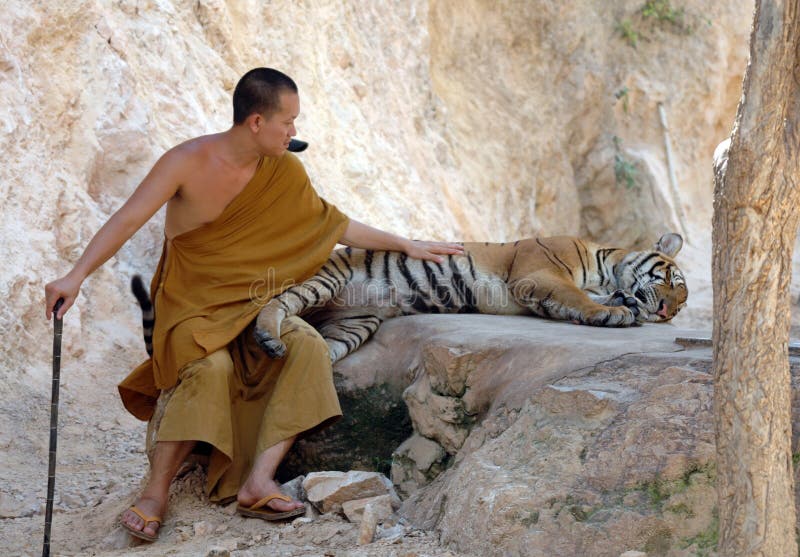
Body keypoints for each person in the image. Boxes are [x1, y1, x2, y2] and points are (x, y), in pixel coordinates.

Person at [44, 67, 463, 542]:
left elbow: (333, 225)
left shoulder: (284, 170)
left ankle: (259, 479)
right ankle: (156, 491)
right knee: (211, 370)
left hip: (257, 303)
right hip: (192, 309)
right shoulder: (185, 162)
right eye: (288, 122)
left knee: (305, 344)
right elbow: (127, 220)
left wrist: (406, 244)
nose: (294, 132)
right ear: (256, 122)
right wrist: (75, 276)